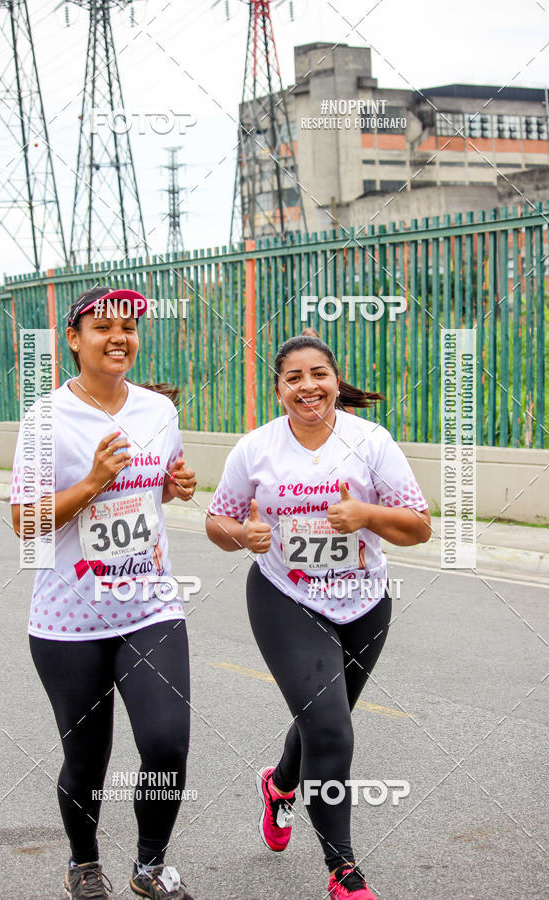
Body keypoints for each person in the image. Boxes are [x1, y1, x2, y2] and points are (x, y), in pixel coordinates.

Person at [205, 334, 431, 899]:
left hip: (364, 601)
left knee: (321, 723)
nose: (308, 386)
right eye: (294, 377)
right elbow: (217, 523)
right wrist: (244, 535)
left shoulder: (371, 442)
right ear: (279, 388)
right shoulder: (255, 449)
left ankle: (280, 785)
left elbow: (419, 527)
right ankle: (343, 871)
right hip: (286, 597)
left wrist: (367, 514)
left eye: (319, 374)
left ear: (335, 380)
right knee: (331, 727)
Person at [10, 286, 197, 900]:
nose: (120, 337)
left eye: (130, 328)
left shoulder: (157, 411)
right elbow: (24, 521)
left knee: (166, 741)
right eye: (103, 327)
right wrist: (92, 481)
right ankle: (84, 863)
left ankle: (149, 864)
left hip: (150, 605)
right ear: (73, 339)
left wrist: (174, 485)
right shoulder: (46, 418)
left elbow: (153, 491)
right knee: (88, 758)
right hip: (69, 617)